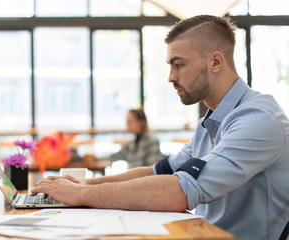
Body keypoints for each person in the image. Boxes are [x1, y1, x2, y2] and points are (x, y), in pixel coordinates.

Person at [31, 15, 289, 240]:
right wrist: (84, 185)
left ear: (216, 62)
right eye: (170, 66)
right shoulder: (208, 124)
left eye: (179, 64)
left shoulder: (258, 119)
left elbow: (180, 192)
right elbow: (159, 172)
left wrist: (82, 194)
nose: (171, 77)